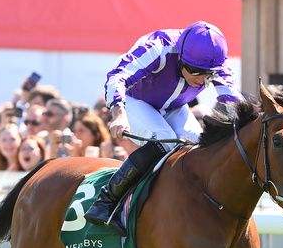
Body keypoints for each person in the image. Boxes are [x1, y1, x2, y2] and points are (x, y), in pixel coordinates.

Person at [84, 21, 242, 235]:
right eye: (196, 72)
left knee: (199, 148)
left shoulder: (213, 61)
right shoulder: (159, 47)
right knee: (164, 139)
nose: (202, 80)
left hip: (175, 106)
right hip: (135, 100)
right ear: (181, 58)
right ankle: (106, 201)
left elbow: (233, 102)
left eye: (209, 75)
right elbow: (116, 76)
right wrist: (118, 113)